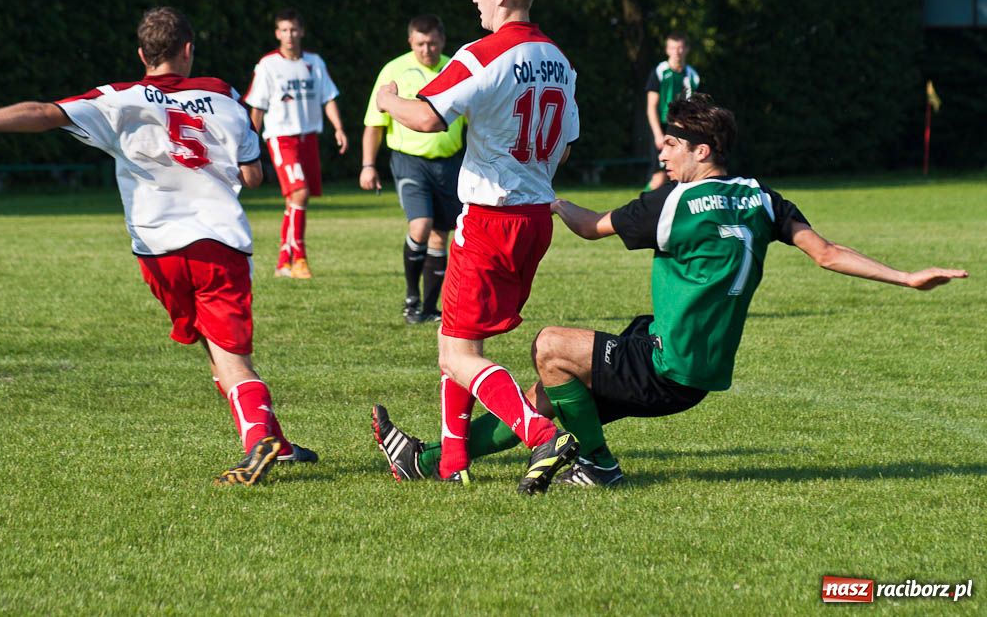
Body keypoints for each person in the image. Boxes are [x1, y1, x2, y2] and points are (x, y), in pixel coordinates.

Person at [371, 93, 968, 488]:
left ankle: (599, 467)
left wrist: (539, 195)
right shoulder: (764, 199)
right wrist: (907, 277)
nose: (662, 149)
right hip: (696, 371)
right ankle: (423, 461)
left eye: (672, 144)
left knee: (551, 347)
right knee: (547, 393)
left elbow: (587, 226)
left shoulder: (673, 203)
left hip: (666, 367)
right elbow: (828, 254)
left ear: (701, 151)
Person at [0, 7, 318, 486]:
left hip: (157, 250)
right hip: (218, 242)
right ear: (188, 49)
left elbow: (41, 114)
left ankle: (275, 444)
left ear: (143, 55)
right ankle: (258, 441)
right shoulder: (223, 94)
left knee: (211, 343)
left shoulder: (118, 98)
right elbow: (252, 174)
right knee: (231, 355)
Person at [370, 0, 582, 494]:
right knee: (460, 338)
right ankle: (451, 460)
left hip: (490, 220)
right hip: (536, 219)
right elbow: (564, 145)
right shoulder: (558, 58)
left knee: (457, 352)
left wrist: (389, 99)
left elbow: (426, 115)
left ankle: (540, 435)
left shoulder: (483, 54)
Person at [360, 14, 465, 324]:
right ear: (410, 42)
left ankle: (429, 309)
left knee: (439, 236)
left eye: (432, 43)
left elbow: (475, 121)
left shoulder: (457, 68)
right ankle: (411, 298)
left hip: (449, 162)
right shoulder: (393, 71)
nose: (427, 50)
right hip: (409, 159)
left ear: (442, 40)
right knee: (420, 224)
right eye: (420, 43)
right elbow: (374, 123)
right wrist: (368, 165)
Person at [244, 8, 348, 279]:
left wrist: (338, 128)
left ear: (301, 32)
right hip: (282, 138)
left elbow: (328, 97)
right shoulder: (268, 64)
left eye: (293, 30)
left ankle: (283, 262)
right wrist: (250, 143)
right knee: (299, 193)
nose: (289, 35)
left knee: (296, 200)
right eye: (283, 30)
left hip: (308, 138)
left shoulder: (314, 62)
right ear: (277, 34)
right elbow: (258, 107)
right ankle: (299, 258)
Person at [645, 31, 699, 191]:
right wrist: (658, 135)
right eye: (673, 48)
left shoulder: (692, 76)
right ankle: (637, 209)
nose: (677, 52)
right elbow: (651, 106)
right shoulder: (660, 71)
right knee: (659, 177)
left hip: (682, 130)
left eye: (680, 48)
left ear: (687, 49)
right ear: (667, 50)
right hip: (663, 128)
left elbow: (694, 108)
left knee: (684, 174)